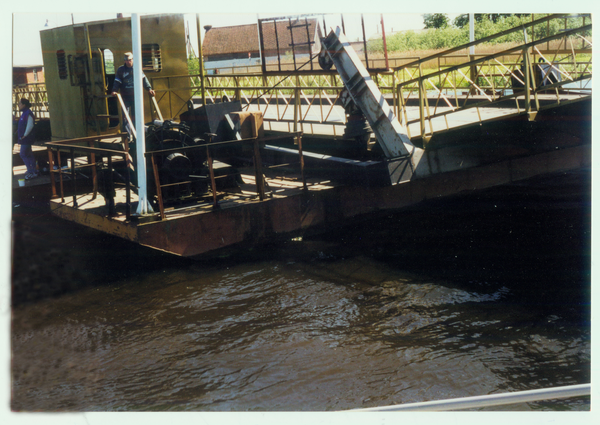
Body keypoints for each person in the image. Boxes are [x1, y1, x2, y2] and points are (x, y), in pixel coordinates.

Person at [110, 52, 155, 135]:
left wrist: (149, 89)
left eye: (130, 60)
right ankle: (127, 136)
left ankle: (137, 135)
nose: (128, 62)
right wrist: (114, 90)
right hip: (125, 97)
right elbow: (117, 81)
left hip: (136, 97)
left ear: (133, 59)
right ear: (124, 61)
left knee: (136, 116)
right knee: (125, 117)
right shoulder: (121, 70)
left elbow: (144, 79)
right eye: (126, 60)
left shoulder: (137, 68)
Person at [17, 98, 37, 179]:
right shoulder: (24, 113)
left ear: (24, 104)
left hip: (26, 138)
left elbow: (30, 125)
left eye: (20, 104)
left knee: (23, 154)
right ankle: (33, 170)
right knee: (29, 154)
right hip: (24, 138)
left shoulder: (28, 113)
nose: (18, 105)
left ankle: (31, 171)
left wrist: (24, 135)